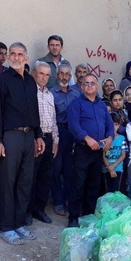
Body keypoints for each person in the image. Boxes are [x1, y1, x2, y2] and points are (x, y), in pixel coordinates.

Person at [0, 42, 45, 245]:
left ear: (26, 57)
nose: (15, 57)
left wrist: (38, 135)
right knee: (7, 182)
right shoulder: (1, 80)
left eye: (19, 54)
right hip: (9, 137)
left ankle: (19, 223)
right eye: (12, 54)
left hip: (29, 137)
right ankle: (5, 227)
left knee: (24, 182)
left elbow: (34, 111)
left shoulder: (31, 81)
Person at [67, 73, 114, 227]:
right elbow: (73, 125)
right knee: (78, 183)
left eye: (92, 83)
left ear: (97, 86)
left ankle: (88, 215)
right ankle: (73, 217)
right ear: (82, 86)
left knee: (94, 184)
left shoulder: (102, 105)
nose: (89, 86)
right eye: (86, 83)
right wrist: (87, 138)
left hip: (98, 151)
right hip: (82, 150)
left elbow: (109, 124)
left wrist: (110, 138)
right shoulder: (76, 104)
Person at [28, 61, 59, 225]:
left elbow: (53, 120)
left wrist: (55, 140)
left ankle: (38, 209)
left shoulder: (49, 94)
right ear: (34, 73)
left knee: (45, 177)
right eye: (41, 73)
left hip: (48, 139)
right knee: (30, 176)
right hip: (34, 139)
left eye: (47, 75)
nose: (44, 77)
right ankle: (26, 210)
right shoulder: (29, 91)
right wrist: (33, 139)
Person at [51, 64, 81, 216]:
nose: (64, 77)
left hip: (72, 134)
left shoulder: (76, 94)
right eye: (61, 74)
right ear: (57, 76)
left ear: (70, 77)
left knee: (69, 170)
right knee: (56, 169)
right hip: (57, 133)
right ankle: (58, 202)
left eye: (67, 74)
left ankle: (68, 201)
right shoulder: (51, 94)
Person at [102, 113, 127, 193]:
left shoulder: (122, 138)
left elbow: (123, 155)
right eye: (110, 125)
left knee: (117, 191)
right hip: (106, 169)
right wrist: (109, 168)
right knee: (107, 191)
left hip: (118, 169)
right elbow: (103, 156)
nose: (113, 127)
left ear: (119, 125)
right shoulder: (104, 140)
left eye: (115, 125)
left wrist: (113, 166)